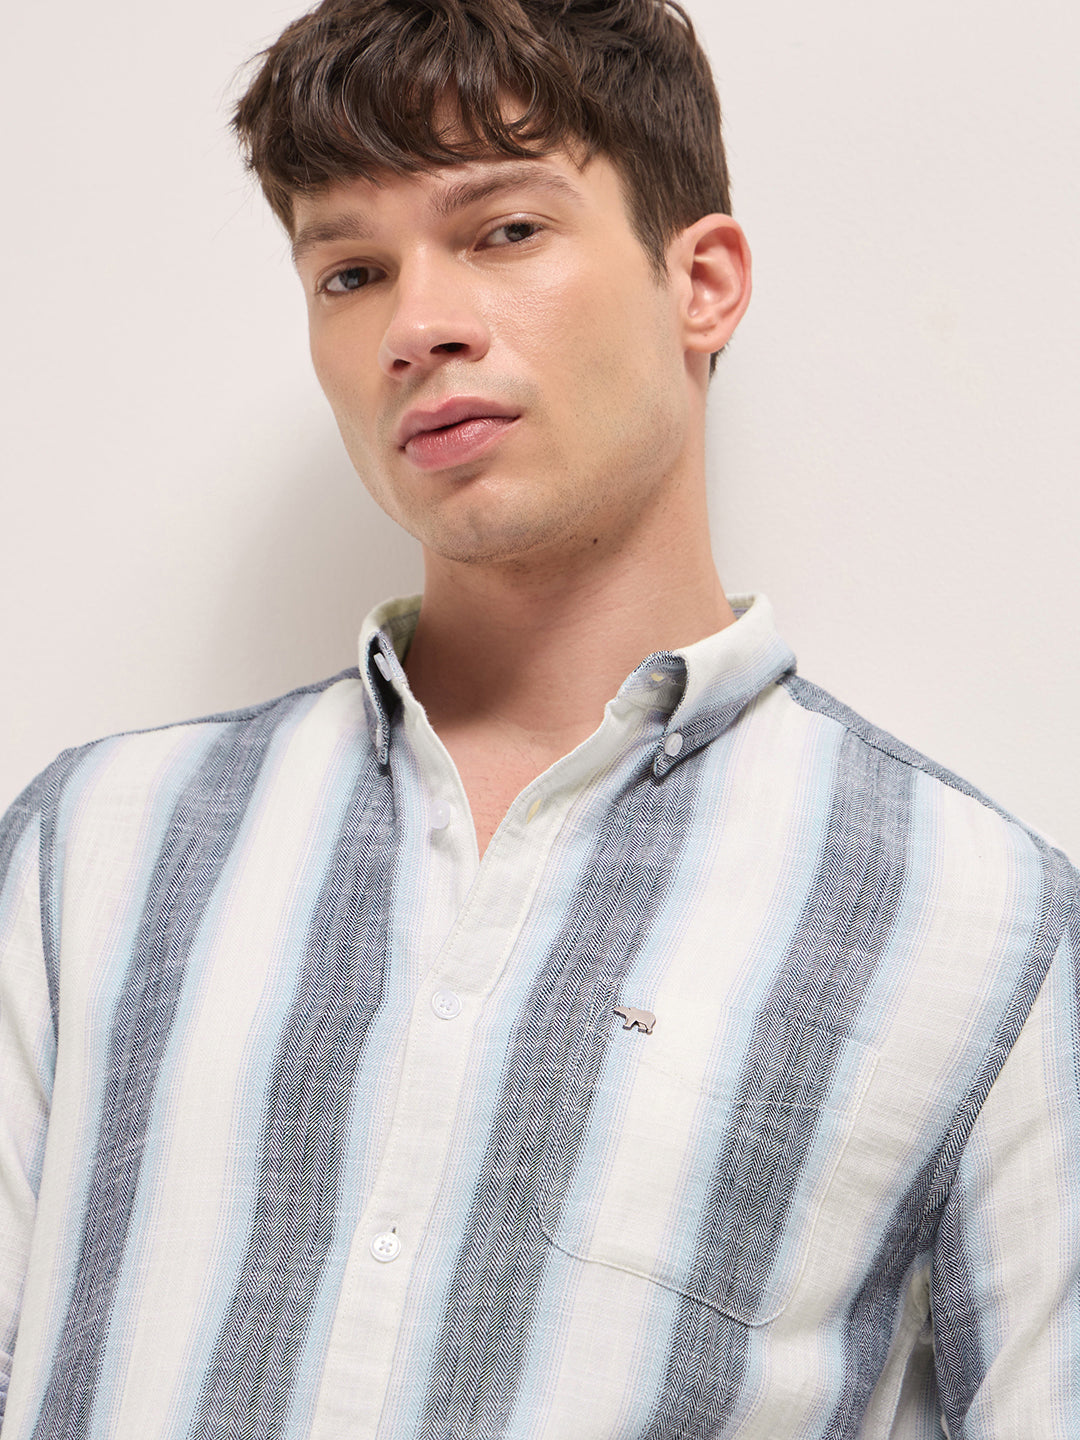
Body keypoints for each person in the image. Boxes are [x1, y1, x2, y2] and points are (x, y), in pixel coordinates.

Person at [0, 0, 1077, 1435]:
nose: (417, 327)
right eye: (351, 271)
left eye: (505, 231)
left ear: (702, 282)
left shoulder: (984, 926)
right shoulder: (91, 855)